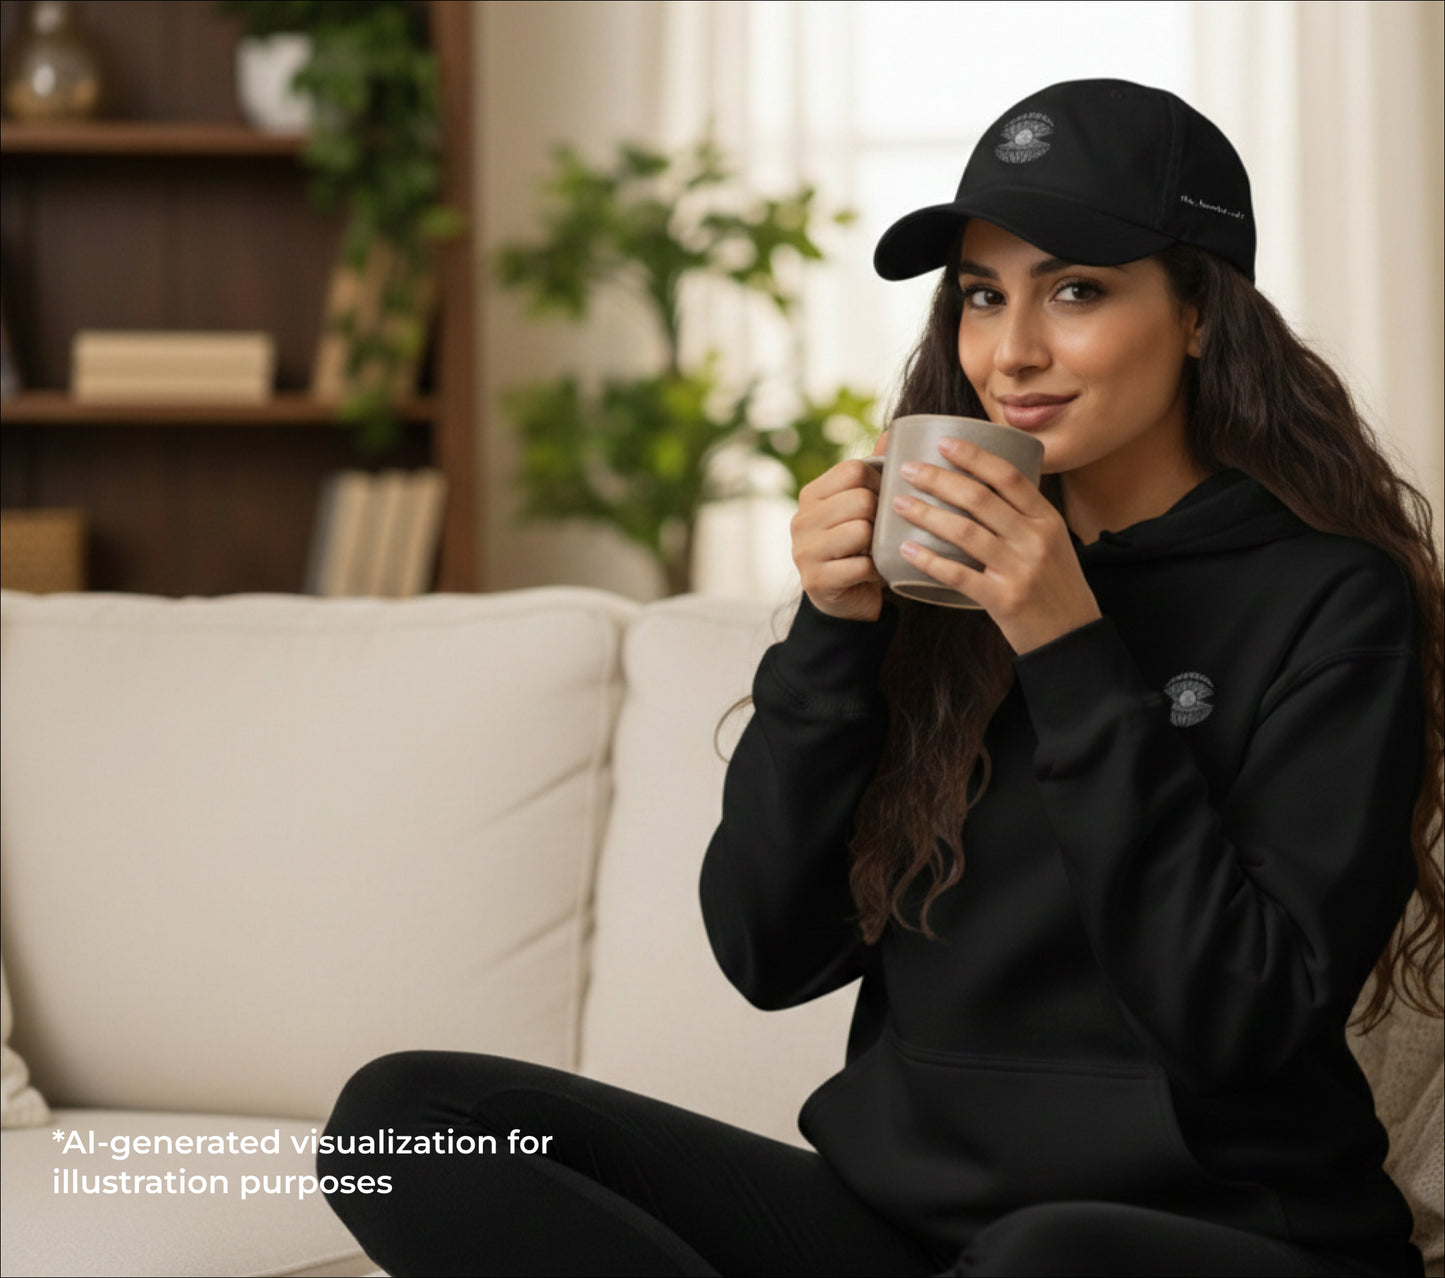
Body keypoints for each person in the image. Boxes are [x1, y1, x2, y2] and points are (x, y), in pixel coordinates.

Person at [316, 79, 1442, 1276]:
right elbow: (768, 950)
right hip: (898, 1233)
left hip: (1200, 1241)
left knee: (1038, 1261)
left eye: (1074, 290)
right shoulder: (930, 589)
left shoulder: (1332, 600)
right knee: (405, 1122)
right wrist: (832, 633)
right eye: (977, 295)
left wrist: (1066, 645)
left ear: (1200, 313)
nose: (1010, 352)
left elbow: (1241, 1021)